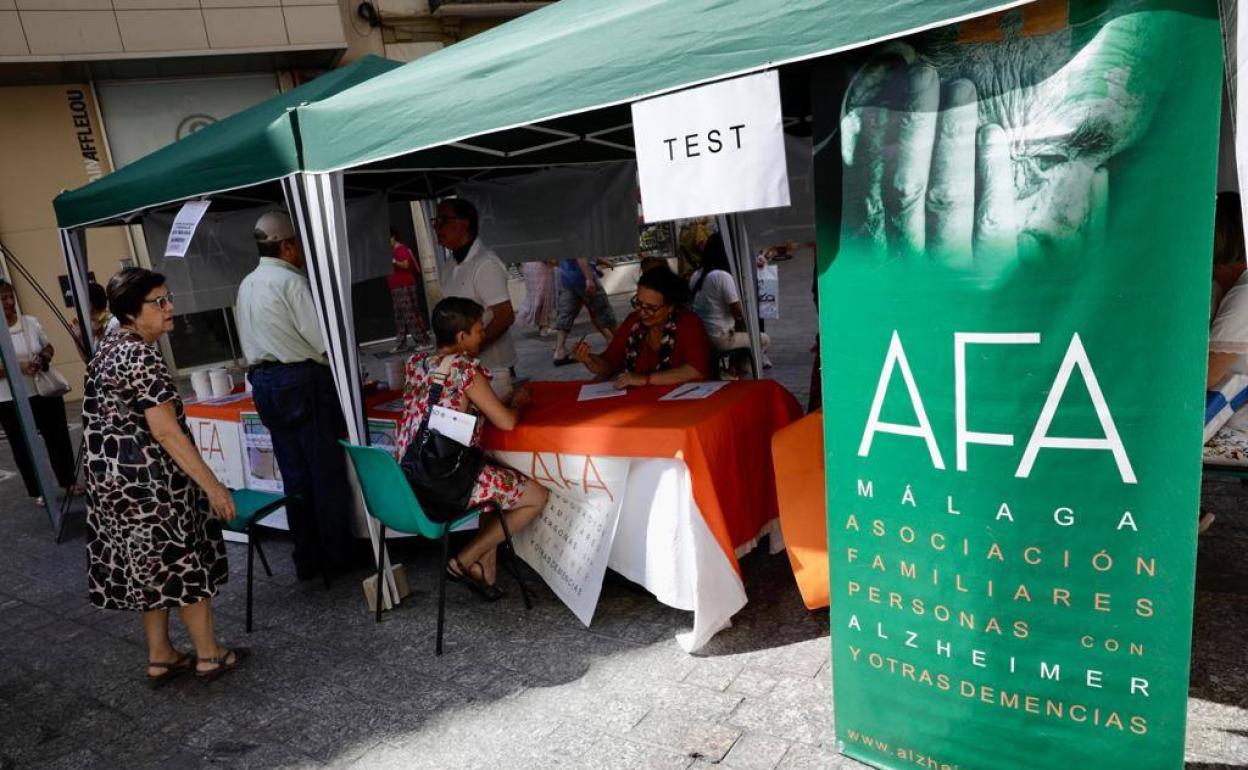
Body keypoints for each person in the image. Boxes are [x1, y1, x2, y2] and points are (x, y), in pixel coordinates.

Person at [84, 268, 245, 684]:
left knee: (148, 568)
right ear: (133, 314)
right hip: (152, 482)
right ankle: (209, 654)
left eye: (168, 297)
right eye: (159, 302)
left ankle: (161, 655)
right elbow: (166, 430)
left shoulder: (107, 347)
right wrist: (213, 485)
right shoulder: (139, 354)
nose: (170, 307)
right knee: (182, 561)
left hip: (113, 484)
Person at [396, 297, 548, 599]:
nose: (484, 335)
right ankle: (464, 560)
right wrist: (517, 403)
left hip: (410, 475)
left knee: (496, 487)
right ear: (461, 337)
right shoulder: (465, 370)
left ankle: (486, 572)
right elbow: (505, 422)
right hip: (445, 481)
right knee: (535, 497)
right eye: (479, 330)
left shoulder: (416, 363)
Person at [236, 211, 356, 580]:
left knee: (294, 474)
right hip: (302, 380)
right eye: (299, 243)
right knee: (325, 472)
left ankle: (307, 556)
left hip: (265, 383)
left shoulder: (247, 284)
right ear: (287, 246)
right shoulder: (292, 282)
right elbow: (322, 341)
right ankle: (337, 556)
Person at [0, 279, 78, 504]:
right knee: (22, 445)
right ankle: (38, 490)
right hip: (9, 398)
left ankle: (68, 480)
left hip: (43, 391)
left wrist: (43, 358)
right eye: (2, 298)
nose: (7, 301)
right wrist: (17, 367)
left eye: (9, 296)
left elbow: (48, 346)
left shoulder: (30, 322)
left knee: (58, 436)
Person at [572, 265, 711, 389]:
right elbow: (610, 364)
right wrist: (589, 360)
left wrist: (645, 380)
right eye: (639, 303)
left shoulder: (688, 324)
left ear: (670, 306)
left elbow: (695, 371)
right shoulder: (634, 322)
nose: (643, 313)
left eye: (651, 308)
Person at [433, 199, 517, 399]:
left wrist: (472, 348)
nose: (437, 226)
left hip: (493, 370)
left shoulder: (485, 263)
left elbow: (504, 316)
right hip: (464, 368)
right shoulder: (450, 263)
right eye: (435, 220)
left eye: (443, 220)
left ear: (464, 223)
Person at [689, 233, 771, 378]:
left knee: (741, 329)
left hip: (701, 335)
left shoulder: (696, 275)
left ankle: (732, 369)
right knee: (763, 339)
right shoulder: (722, 276)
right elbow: (739, 312)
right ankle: (739, 373)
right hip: (719, 338)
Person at [552, 257, 618, 366]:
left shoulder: (563, 240)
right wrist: (589, 278)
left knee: (566, 314)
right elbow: (581, 255)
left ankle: (559, 351)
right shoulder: (580, 239)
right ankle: (621, 341)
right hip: (582, 277)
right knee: (603, 309)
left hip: (567, 278)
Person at [388, 228, 430, 353]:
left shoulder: (401, 249)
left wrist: (394, 261)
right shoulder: (390, 251)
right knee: (400, 317)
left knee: (411, 314)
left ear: (393, 237)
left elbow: (406, 265)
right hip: (396, 287)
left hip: (404, 286)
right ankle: (401, 343)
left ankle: (424, 341)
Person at [69, 281, 115, 358]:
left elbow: (113, 356)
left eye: (78, 302)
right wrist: (78, 339)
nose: (76, 307)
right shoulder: (95, 327)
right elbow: (91, 363)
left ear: (89, 303)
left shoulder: (114, 322)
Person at [517, 260, 557, 337]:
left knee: (541, 296)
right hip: (536, 265)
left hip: (533, 265)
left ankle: (543, 325)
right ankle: (542, 324)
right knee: (541, 296)